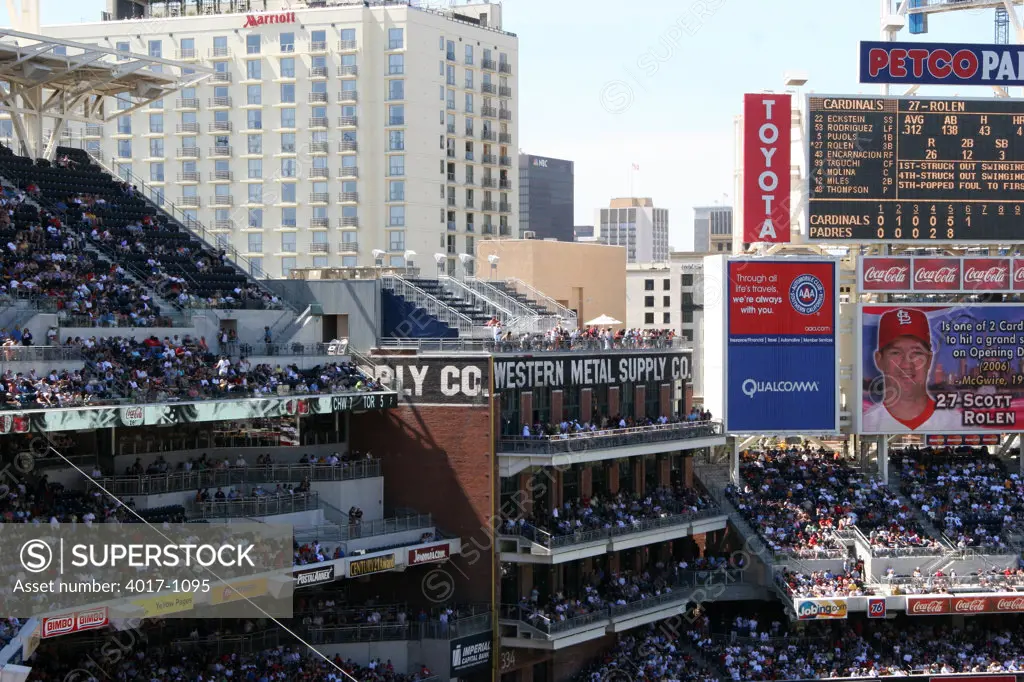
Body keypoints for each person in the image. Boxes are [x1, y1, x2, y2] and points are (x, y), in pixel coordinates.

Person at [862, 308, 961, 432]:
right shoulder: (866, 424)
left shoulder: (956, 423)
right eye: (896, 353)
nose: (906, 364)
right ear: (879, 360)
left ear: (929, 359)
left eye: (916, 353)